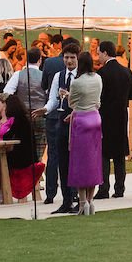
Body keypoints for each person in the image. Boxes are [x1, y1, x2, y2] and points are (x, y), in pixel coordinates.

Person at [41, 42, 80, 213]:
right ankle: (66, 200)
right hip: (61, 121)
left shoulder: (82, 76)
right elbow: (53, 98)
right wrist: (46, 109)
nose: (69, 61)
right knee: (62, 161)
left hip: (79, 122)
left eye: (72, 58)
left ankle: (76, 196)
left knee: (76, 161)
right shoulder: (59, 76)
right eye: (66, 57)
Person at [65, 51, 105, 214]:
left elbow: (71, 102)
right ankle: (90, 200)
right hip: (95, 118)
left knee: (79, 162)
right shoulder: (98, 78)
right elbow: (98, 101)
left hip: (81, 120)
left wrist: (68, 96)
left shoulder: (77, 82)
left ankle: (83, 201)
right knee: (94, 161)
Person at [97, 40, 132, 198]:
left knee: (104, 153)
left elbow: (99, 97)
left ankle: (104, 188)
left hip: (105, 116)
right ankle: (120, 188)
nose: (98, 56)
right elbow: (131, 96)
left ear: (105, 53)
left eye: (99, 53)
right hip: (120, 115)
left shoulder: (101, 73)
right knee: (119, 154)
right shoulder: (126, 72)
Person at [0, 90, 44, 203]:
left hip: (23, 159)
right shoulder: (24, 118)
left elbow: (8, 135)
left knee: (0, 161)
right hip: (30, 155)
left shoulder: (18, 120)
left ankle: (3, 193)